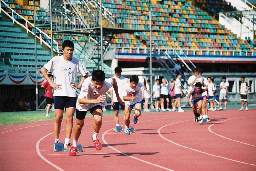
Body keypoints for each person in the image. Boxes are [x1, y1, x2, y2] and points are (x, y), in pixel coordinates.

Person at [40, 40, 88, 150]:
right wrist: (51, 83)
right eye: (68, 50)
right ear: (63, 50)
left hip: (71, 93)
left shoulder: (77, 62)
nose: (70, 52)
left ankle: (67, 142)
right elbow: (43, 69)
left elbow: (85, 74)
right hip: (59, 93)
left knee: (70, 118)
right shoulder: (56, 60)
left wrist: (79, 85)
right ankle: (56, 141)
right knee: (58, 118)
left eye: (71, 50)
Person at [70, 70, 122, 156]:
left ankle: (95, 137)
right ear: (92, 80)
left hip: (96, 102)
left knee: (98, 119)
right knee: (79, 125)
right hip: (84, 102)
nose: (98, 86)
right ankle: (74, 145)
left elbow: (114, 81)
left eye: (101, 84)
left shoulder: (107, 83)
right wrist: (95, 100)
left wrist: (118, 96)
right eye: (96, 84)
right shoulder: (86, 83)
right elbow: (80, 100)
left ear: (104, 81)